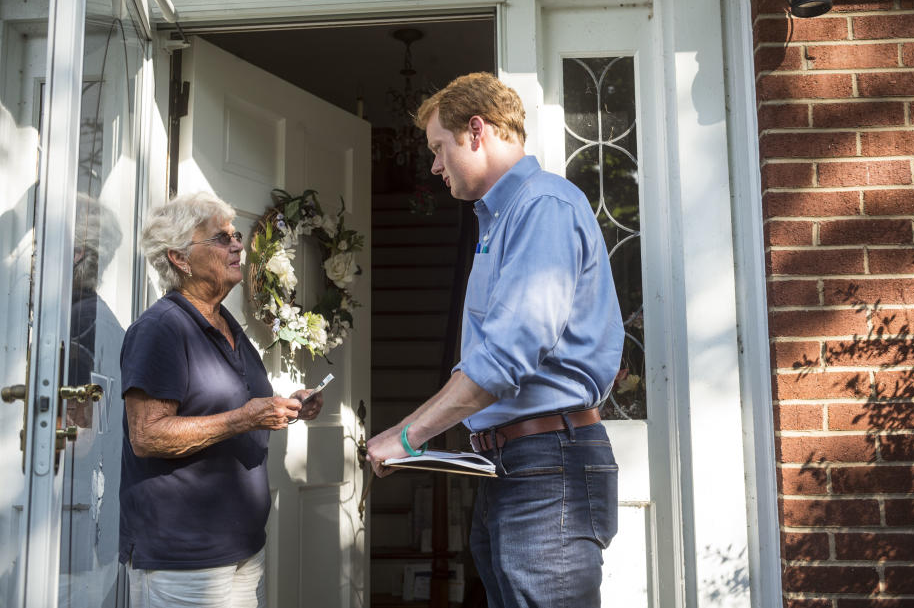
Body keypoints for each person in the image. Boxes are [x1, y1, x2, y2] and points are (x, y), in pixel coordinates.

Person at [365, 73, 625, 608]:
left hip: (548, 464)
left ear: (476, 130)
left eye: (439, 147)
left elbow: (506, 357)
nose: (435, 165)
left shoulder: (541, 207)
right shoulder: (501, 219)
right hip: (516, 464)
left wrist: (407, 436)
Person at [118, 192, 322, 608]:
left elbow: (224, 404)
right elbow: (148, 435)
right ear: (179, 258)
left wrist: (287, 406)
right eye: (220, 238)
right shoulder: (162, 328)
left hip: (242, 546)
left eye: (236, 235)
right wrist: (244, 419)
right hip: (186, 554)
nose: (238, 245)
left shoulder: (224, 320)